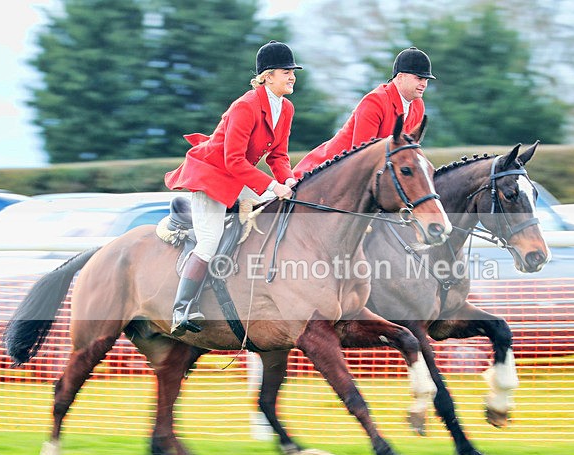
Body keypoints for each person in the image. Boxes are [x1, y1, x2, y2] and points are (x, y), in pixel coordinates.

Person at [164, 40, 301, 336]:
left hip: (238, 177)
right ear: (266, 76)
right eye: (285, 71)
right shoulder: (245, 106)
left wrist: (287, 180)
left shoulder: (286, 108)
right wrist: (271, 185)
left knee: (277, 209)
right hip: (211, 176)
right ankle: (181, 308)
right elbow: (233, 159)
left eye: (292, 71)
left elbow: (278, 156)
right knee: (209, 241)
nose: (292, 76)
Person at [292, 46, 435, 179]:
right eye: (419, 78)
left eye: (426, 79)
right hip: (328, 171)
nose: (424, 84)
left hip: (370, 173)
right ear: (401, 77)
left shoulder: (418, 105)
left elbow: (406, 151)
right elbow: (362, 155)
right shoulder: (374, 101)